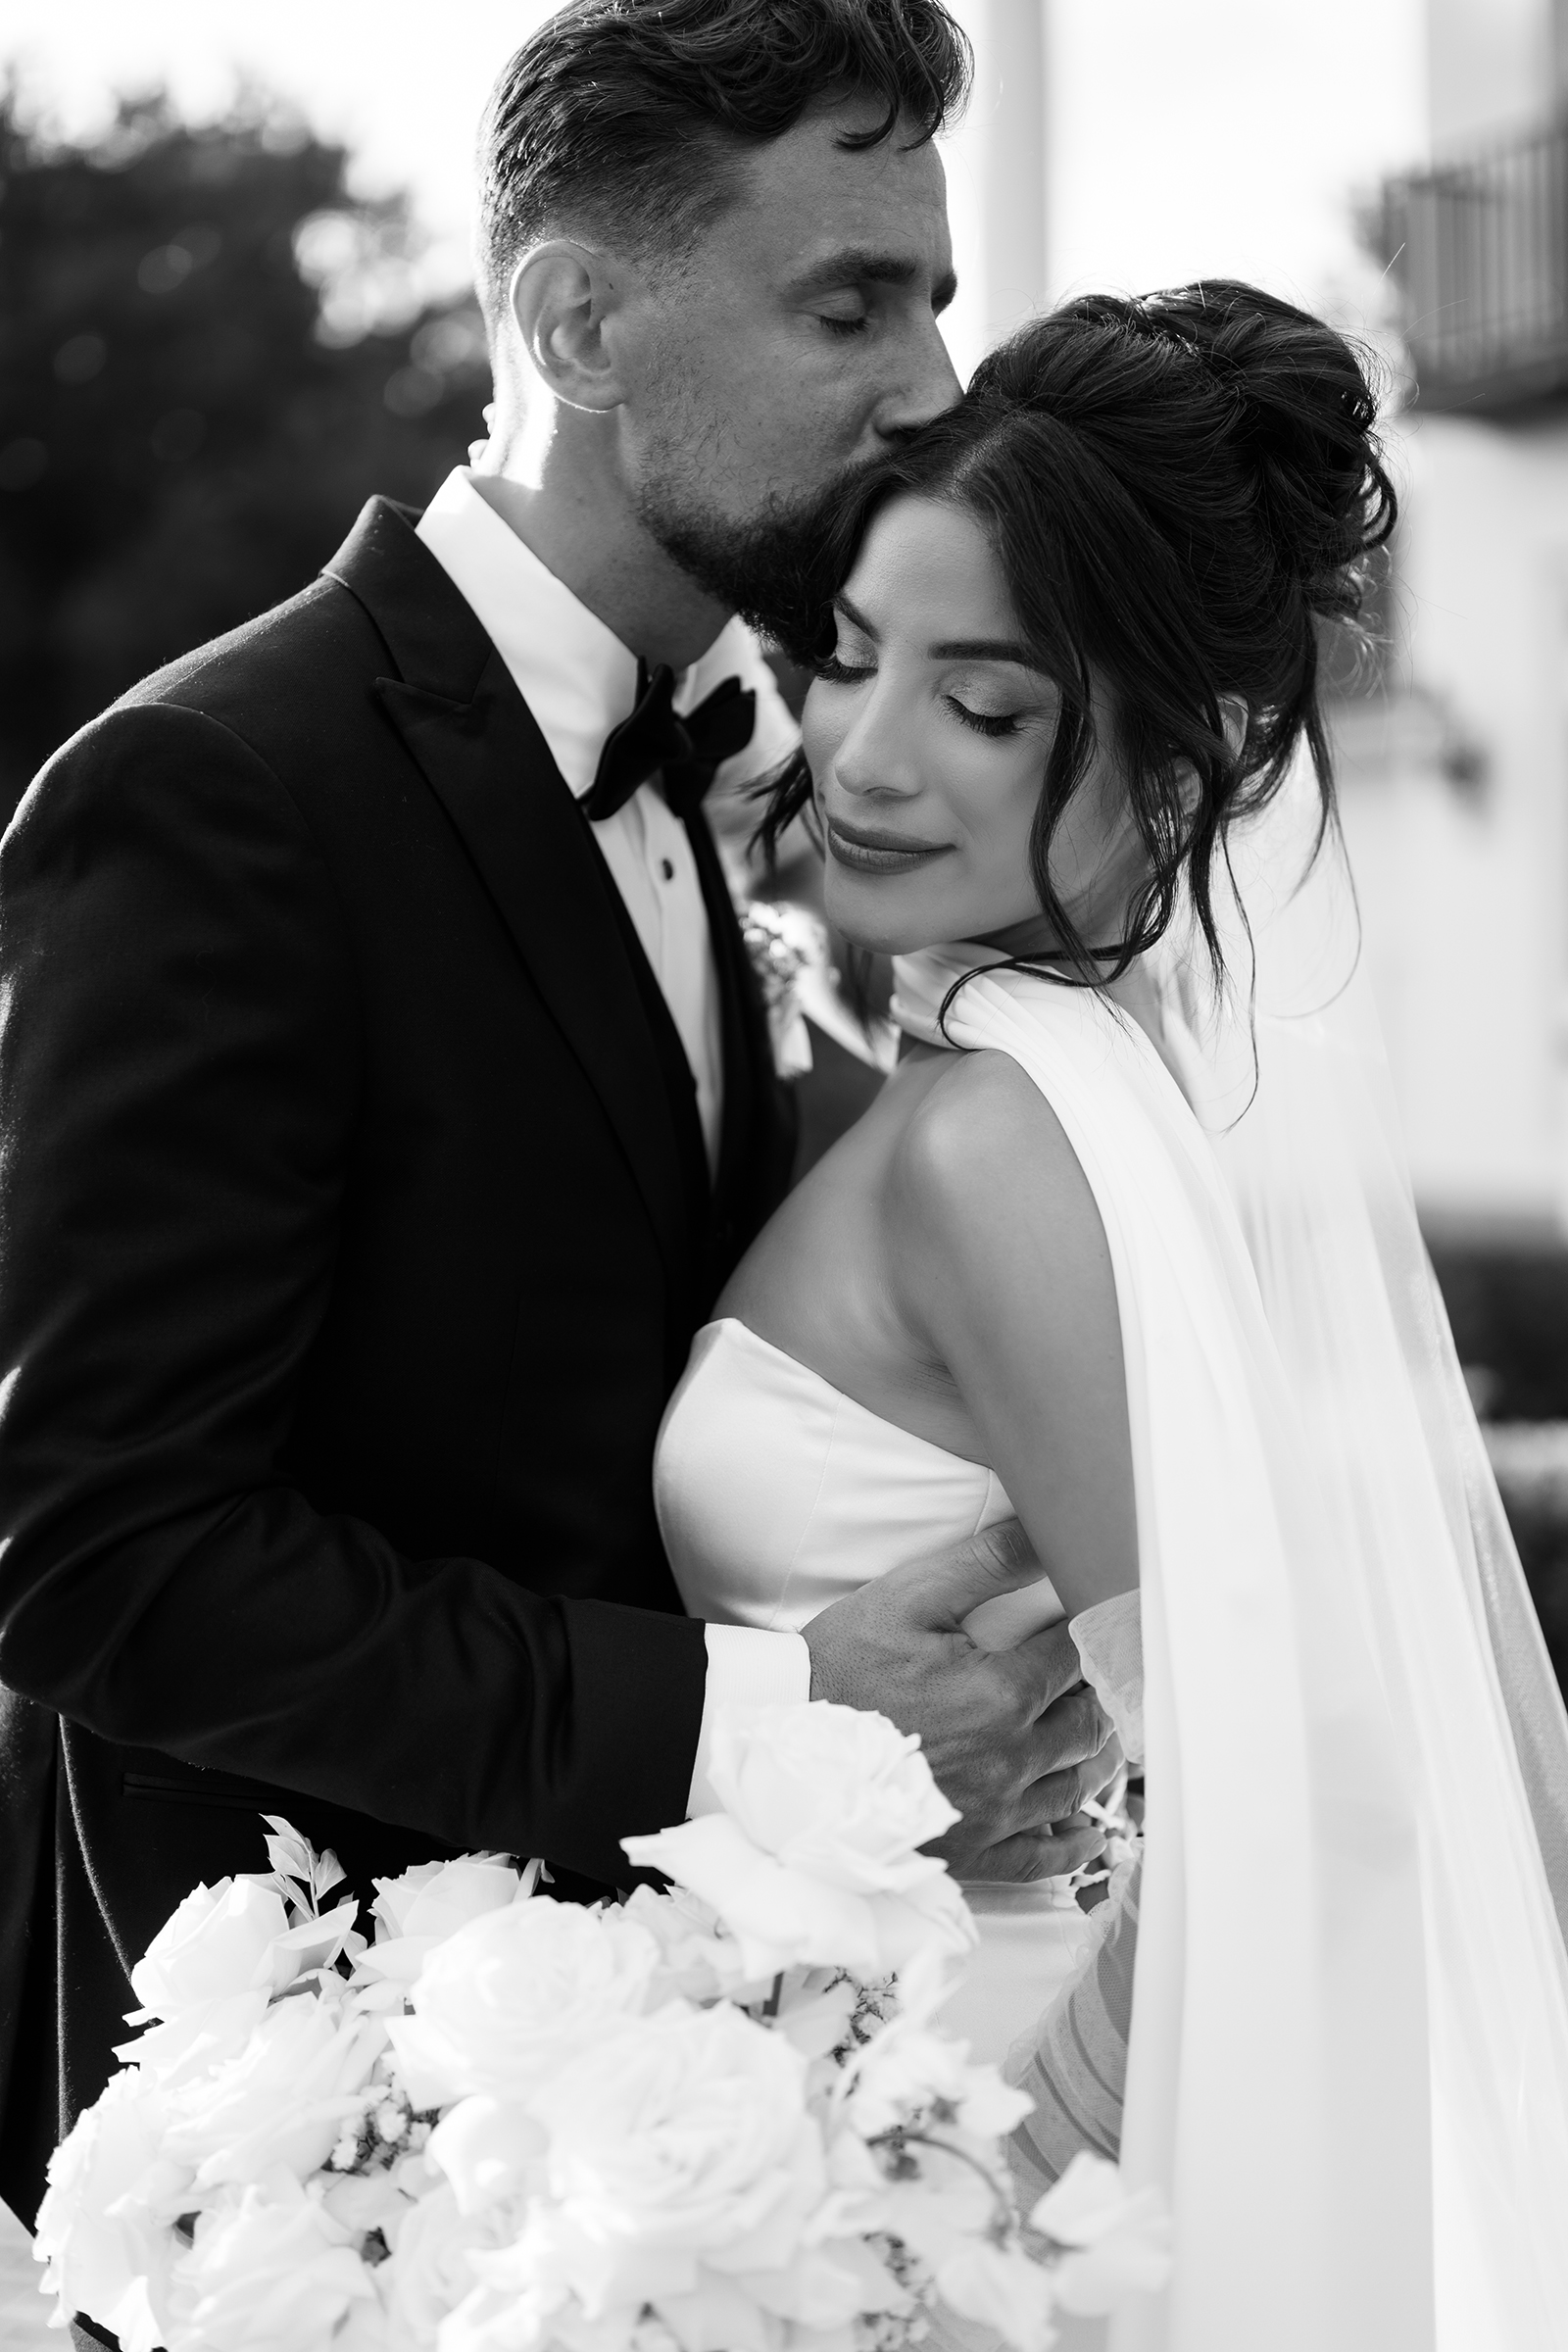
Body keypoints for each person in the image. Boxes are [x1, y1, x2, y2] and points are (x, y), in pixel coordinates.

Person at [0, 0, 1119, 2252]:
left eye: (930, 298)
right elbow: (97, 1553)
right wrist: (751, 1714)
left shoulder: (716, 785)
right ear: (580, 314)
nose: (923, 385)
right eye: (845, 300)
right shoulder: (223, 792)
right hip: (336, 2160)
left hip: (686, 2151)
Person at [656, 283, 1568, 2347]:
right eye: (853, 659)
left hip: (931, 2129)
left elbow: (1297, 1788)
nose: (868, 759)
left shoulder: (999, 1147)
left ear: (1187, 762)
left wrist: (957, 2198)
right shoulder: (1029, 1078)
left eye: (983, 709)